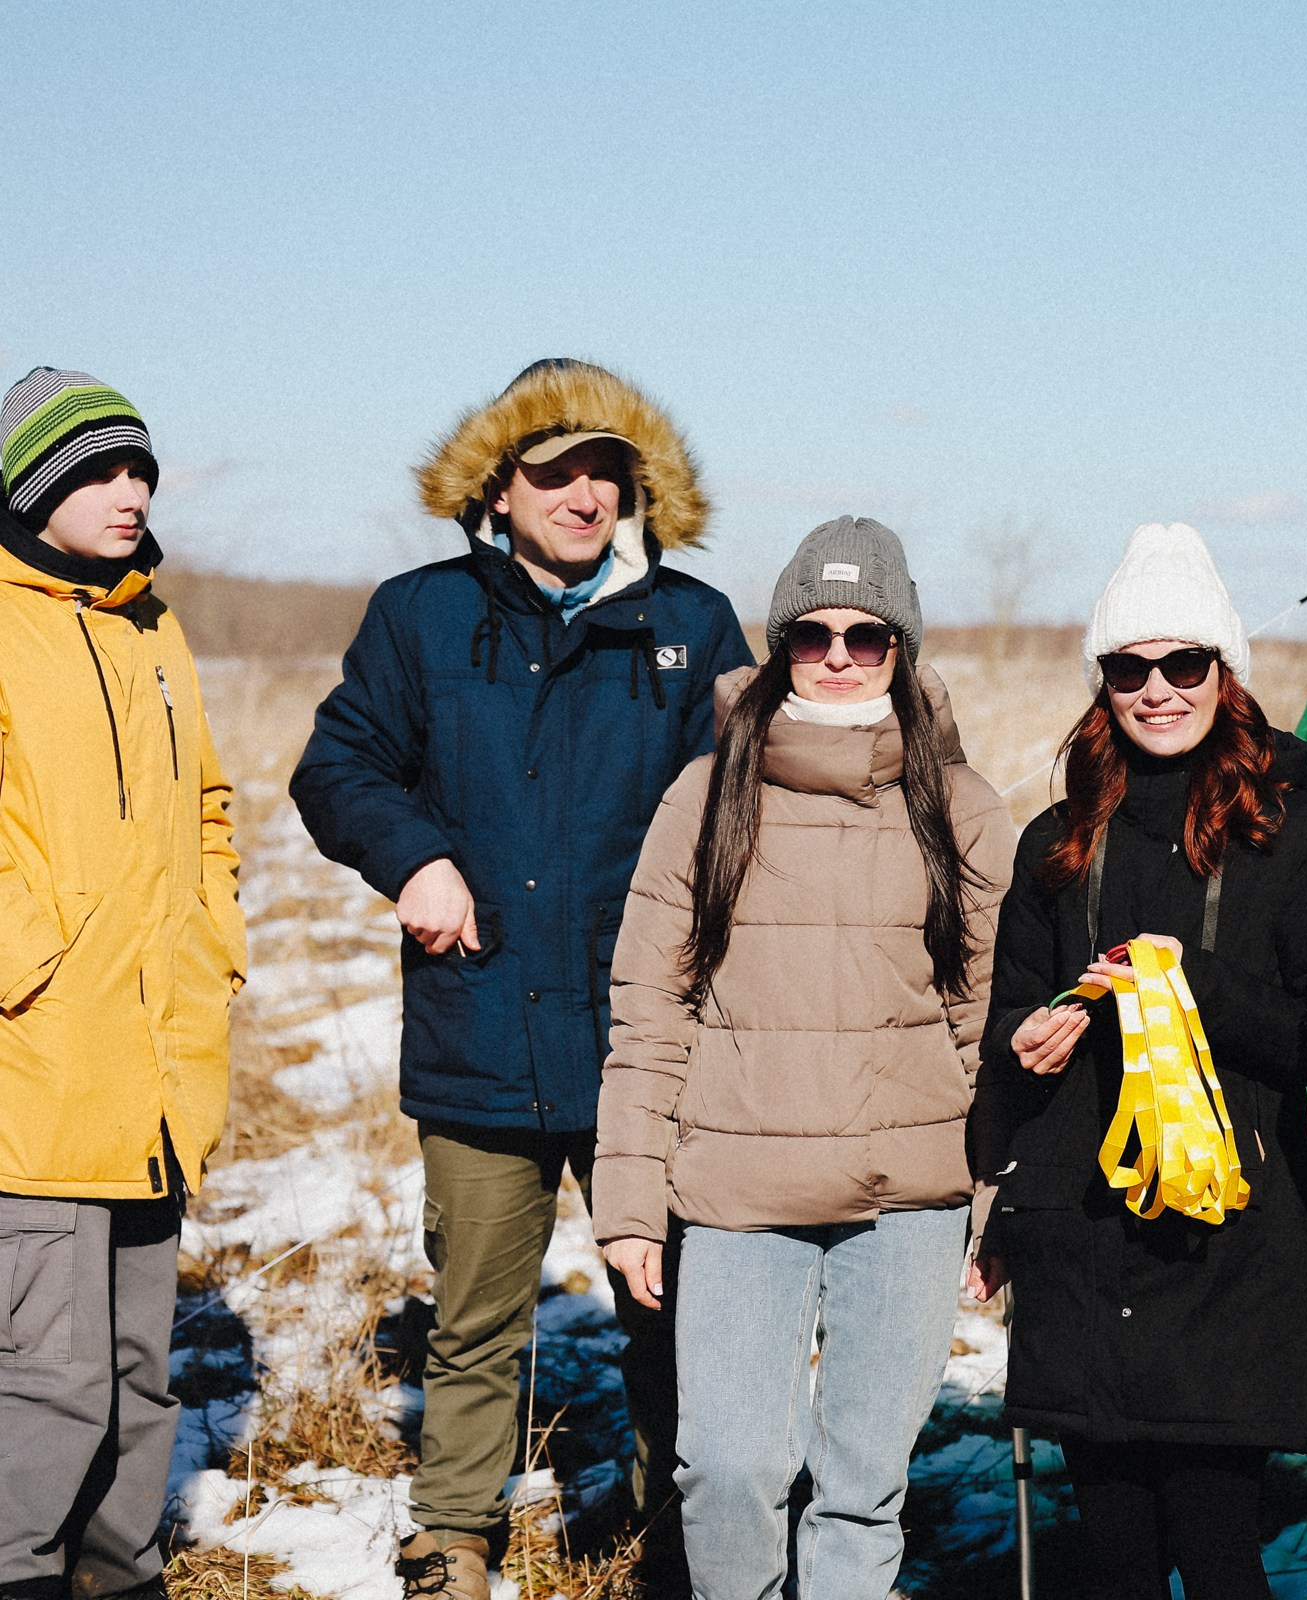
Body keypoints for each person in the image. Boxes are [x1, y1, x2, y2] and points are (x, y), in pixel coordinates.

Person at [288, 359, 751, 1600]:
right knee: (481, 1309)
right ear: (499, 486)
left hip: (643, 1038)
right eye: (556, 469)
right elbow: (338, 770)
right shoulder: (421, 616)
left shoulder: (691, 627)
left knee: (674, 1298)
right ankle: (453, 1530)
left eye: (607, 470)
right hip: (481, 1019)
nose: (584, 493)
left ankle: (675, 1511)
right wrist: (418, 858)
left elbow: (741, 811)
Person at [593, 516, 1013, 1600]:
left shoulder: (959, 805)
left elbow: (985, 1021)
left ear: (900, 646)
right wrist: (632, 1199)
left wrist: (992, 1197)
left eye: (865, 635)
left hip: (907, 1199)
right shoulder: (708, 794)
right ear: (779, 643)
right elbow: (651, 1009)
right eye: (811, 632)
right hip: (737, 1193)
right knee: (726, 1469)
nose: (836, 655)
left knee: (863, 1483)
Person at [971, 522, 1307, 1600]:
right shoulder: (1057, 840)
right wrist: (1026, 1040)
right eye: (1129, 668)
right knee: (1113, 1560)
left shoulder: (1303, 838)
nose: (1157, 690)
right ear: (1102, 683)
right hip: (1083, 1241)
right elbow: (1008, 1016)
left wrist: (1199, 983)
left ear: (1223, 674)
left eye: (1182, 664)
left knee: (1222, 1550)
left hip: (1225, 1244)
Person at [0, 369, 246, 1600]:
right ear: (34, 483)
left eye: (140, 468)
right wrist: (23, 956)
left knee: (140, 1366)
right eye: (100, 470)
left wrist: (213, 935)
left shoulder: (154, 625)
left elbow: (207, 802)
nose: (131, 491)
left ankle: (122, 1571)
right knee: (45, 1372)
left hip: (155, 1057)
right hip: (38, 1063)